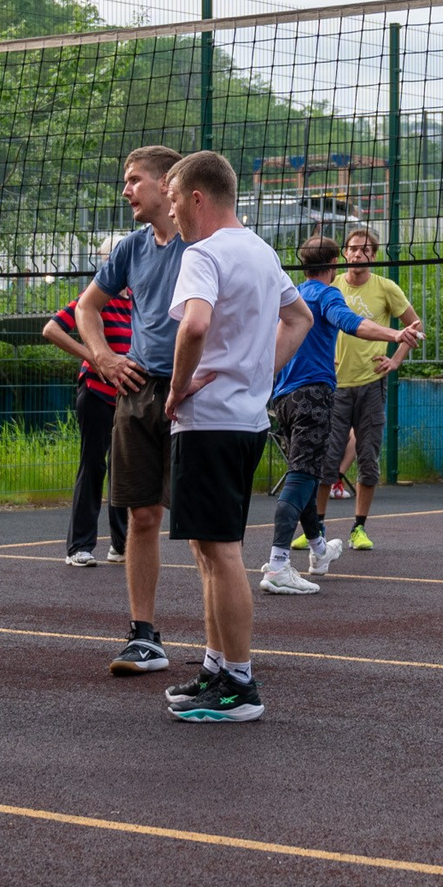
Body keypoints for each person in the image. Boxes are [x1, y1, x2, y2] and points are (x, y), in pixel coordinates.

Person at [157, 150, 313, 722]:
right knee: (206, 549)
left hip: (211, 421)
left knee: (220, 553)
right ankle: (216, 667)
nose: (170, 209)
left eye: (173, 198)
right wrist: (259, 373)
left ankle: (240, 686)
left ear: (197, 197)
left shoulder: (203, 253)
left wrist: (177, 389)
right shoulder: (263, 252)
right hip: (241, 419)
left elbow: (195, 324)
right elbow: (300, 319)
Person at [76, 146, 187, 675]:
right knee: (142, 515)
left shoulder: (207, 244)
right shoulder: (131, 248)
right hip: (138, 390)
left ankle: (226, 652)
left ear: (168, 185)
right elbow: (86, 307)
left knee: (207, 527)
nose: (126, 191)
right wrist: (104, 358)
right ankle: (144, 635)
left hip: (196, 396)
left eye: (134, 180)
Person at [262, 235, 420, 593]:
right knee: (302, 477)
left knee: (308, 470)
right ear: (334, 264)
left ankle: (319, 549)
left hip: (283, 397)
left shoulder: (290, 294)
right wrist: (396, 335)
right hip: (312, 395)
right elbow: (351, 322)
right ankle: (278, 564)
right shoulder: (328, 293)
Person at [325, 225, 421, 548]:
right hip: (335, 385)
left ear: (374, 256)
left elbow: (415, 324)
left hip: (371, 383)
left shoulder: (385, 288)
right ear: (344, 252)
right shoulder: (333, 285)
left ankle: (359, 528)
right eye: (353, 248)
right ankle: (316, 529)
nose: (358, 254)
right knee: (327, 458)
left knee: (368, 458)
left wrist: (395, 361)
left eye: (365, 250)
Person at [43, 288, 132, 568]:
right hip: (96, 393)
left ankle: (120, 545)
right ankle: (79, 546)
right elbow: (52, 329)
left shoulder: (143, 300)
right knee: (94, 465)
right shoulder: (98, 296)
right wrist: (96, 356)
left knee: (125, 470)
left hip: (129, 398)